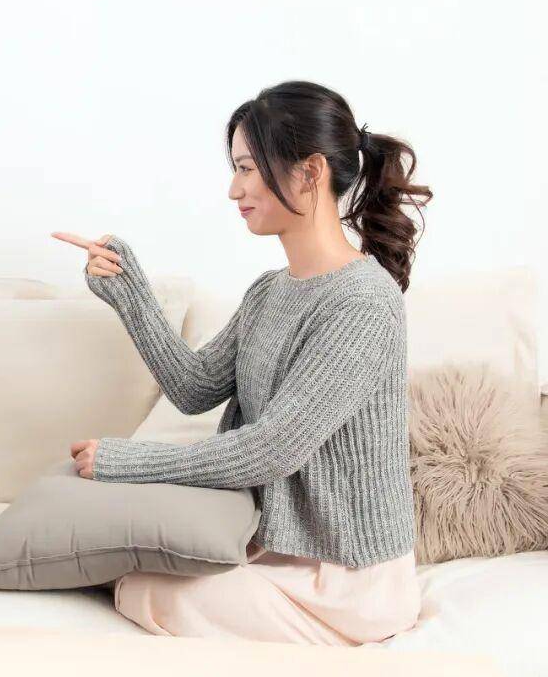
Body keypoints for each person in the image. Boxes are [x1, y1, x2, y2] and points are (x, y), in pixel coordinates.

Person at [53, 80, 432, 646]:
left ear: (309, 172)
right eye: (235, 169)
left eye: (248, 169)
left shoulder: (363, 302)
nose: (235, 189)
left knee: (140, 588)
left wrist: (128, 460)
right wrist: (127, 290)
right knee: (127, 571)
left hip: (347, 579)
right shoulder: (269, 291)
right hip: (273, 551)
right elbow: (193, 388)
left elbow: (273, 447)